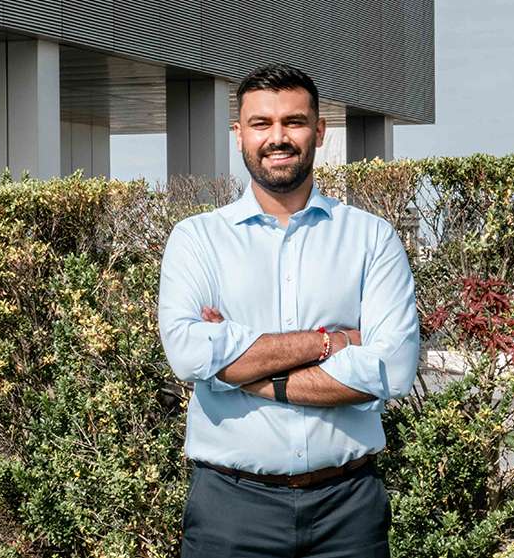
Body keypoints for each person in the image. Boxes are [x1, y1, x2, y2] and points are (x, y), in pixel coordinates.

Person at [157, 63, 419, 557]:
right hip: (230, 512)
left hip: (348, 510)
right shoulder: (197, 239)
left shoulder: (371, 239)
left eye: (293, 122)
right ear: (239, 135)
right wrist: (330, 342)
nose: (278, 138)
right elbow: (191, 356)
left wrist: (238, 368)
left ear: (319, 130)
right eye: (261, 124)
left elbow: (391, 369)